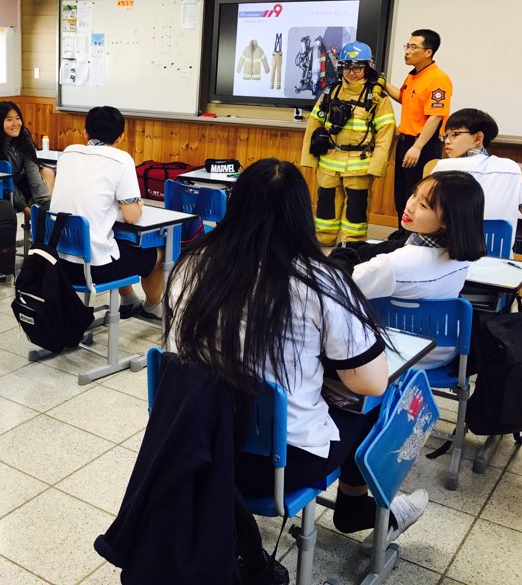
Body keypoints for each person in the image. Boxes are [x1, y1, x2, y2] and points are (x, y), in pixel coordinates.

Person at [166, 158, 428, 549]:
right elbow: (372, 382)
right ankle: (358, 509)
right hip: (272, 468)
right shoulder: (318, 280)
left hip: (189, 447)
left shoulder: (191, 263)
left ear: (234, 206)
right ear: (302, 215)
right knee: (378, 404)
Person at [331, 171, 486, 369]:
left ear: (447, 220)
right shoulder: (461, 258)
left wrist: (340, 256)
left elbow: (334, 289)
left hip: (394, 356)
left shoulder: (394, 264)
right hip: (442, 353)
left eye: (423, 205)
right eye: (414, 194)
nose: (410, 206)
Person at [50, 106, 164, 322]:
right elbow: (131, 216)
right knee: (158, 252)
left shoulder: (68, 153)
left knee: (115, 246)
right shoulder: (121, 159)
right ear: (121, 137)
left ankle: (129, 299)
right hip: (93, 270)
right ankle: (151, 307)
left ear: (85, 133)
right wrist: (137, 204)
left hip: (56, 263)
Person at [300, 42, 395, 246]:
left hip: (359, 165)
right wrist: (309, 158)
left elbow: (386, 134)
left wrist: (377, 166)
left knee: (356, 209)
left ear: (367, 67)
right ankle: (324, 240)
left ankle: (352, 244)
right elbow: (313, 125)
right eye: (346, 67)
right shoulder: (330, 92)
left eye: (357, 67)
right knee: (326, 205)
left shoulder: (377, 98)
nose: (351, 73)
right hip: (329, 162)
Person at [431, 109, 522, 243]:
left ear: (478, 137)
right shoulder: (510, 168)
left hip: (449, 252)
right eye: (445, 136)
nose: (447, 141)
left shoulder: (443, 168)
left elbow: (425, 213)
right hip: (498, 254)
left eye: (455, 134)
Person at [385, 29, 453, 219]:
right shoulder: (413, 76)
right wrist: (383, 83)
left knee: (417, 194)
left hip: (422, 145)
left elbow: (436, 116)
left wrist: (417, 147)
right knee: (401, 194)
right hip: (405, 142)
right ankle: (402, 232)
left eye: (413, 47)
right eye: (407, 46)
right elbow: (404, 98)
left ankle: (413, 234)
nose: (407, 51)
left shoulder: (438, 79)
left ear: (428, 52)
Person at [0, 100, 54, 213]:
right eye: (9, 120)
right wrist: (25, 209)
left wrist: (44, 201)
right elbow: (5, 181)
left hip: (18, 181)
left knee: (47, 172)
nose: (16, 123)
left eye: (18, 118)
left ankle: (43, 213)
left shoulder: (23, 135)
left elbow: (31, 168)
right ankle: (38, 215)